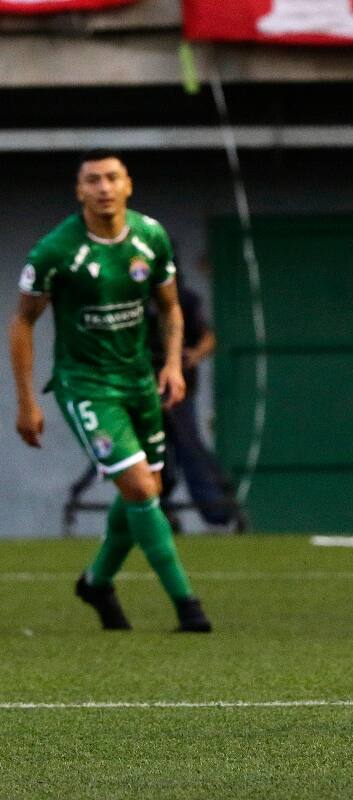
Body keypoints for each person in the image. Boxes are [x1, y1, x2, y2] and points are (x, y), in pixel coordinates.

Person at [9, 150, 212, 633]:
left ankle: (97, 582)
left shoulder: (150, 236)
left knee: (146, 490)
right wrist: (26, 401)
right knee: (140, 487)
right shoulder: (55, 251)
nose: (103, 187)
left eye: (112, 178)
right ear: (79, 190)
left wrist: (173, 366)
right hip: (86, 385)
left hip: (139, 380)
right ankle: (188, 606)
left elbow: (170, 307)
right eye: (93, 180)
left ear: (128, 185)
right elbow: (22, 322)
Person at [145, 270, 238, 529]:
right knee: (150, 453)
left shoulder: (184, 299)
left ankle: (217, 511)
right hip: (142, 389)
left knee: (189, 447)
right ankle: (158, 510)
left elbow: (208, 338)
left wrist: (191, 356)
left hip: (178, 391)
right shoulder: (135, 298)